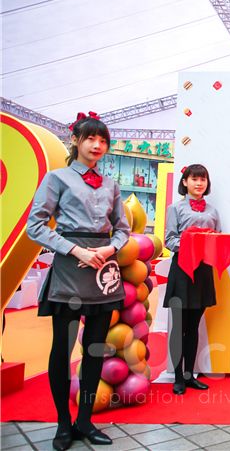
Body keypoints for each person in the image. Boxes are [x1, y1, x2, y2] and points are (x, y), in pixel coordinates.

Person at [27, 112, 130, 450]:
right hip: (70, 267)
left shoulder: (112, 185)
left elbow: (123, 229)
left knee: (95, 348)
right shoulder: (56, 178)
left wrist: (110, 248)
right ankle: (62, 424)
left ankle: (85, 421)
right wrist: (76, 250)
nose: (97, 145)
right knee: (62, 348)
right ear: (75, 140)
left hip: (102, 270)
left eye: (103, 140)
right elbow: (35, 226)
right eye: (90, 138)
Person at [163, 164, 221, 395]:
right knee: (179, 326)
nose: (199, 183)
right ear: (185, 182)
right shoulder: (175, 208)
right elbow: (169, 240)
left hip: (203, 271)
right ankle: (178, 377)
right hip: (182, 270)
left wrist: (211, 243)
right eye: (194, 179)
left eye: (203, 179)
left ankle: (190, 375)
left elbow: (217, 238)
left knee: (194, 326)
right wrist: (192, 244)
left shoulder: (213, 211)